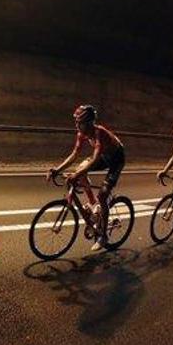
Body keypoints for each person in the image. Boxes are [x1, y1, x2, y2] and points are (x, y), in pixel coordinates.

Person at [47, 105, 125, 252]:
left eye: (80, 123)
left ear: (89, 123)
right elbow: (74, 155)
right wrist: (57, 169)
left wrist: (75, 175)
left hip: (116, 159)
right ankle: (93, 204)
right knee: (81, 167)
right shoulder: (81, 134)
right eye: (76, 122)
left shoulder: (99, 133)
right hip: (104, 157)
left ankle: (103, 236)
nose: (77, 126)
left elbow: (95, 159)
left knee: (103, 195)